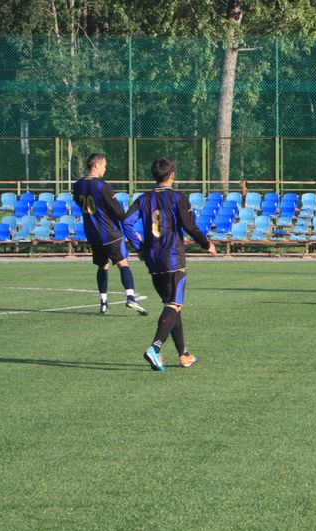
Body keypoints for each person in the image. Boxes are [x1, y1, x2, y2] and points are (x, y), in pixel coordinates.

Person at [125, 158, 217, 371]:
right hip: (173, 258)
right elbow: (190, 227)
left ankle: (183, 354)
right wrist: (207, 244)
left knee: (173, 306)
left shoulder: (143, 199)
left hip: (153, 259)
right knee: (174, 305)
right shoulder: (178, 198)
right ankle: (155, 348)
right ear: (173, 175)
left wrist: (139, 247)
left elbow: (127, 222)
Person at [72, 153, 147, 316]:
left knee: (103, 266)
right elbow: (119, 211)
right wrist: (132, 232)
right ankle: (130, 298)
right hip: (109, 232)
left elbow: (78, 202)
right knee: (123, 264)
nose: (105, 169)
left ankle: (103, 303)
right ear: (96, 165)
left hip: (93, 234)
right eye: (104, 165)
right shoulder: (102, 186)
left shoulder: (78, 185)